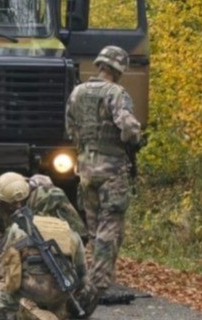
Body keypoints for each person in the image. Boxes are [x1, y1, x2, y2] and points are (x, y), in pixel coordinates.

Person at [65, 45, 143, 295]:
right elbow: (129, 129)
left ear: (100, 65)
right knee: (111, 228)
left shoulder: (77, 92)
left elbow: (70, 128)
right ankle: (98, 286)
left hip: (86, 169)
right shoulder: (116, 93)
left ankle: (90, 278)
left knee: (94, 228)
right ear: (118, 69)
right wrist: (134, 140)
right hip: (111, 171)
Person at [0, 172, 87, 276]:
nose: (18, 206)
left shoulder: (45, 193)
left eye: (22, 201)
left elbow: (77, 231)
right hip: (10, 245)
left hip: (48, 239)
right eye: (13, 204)